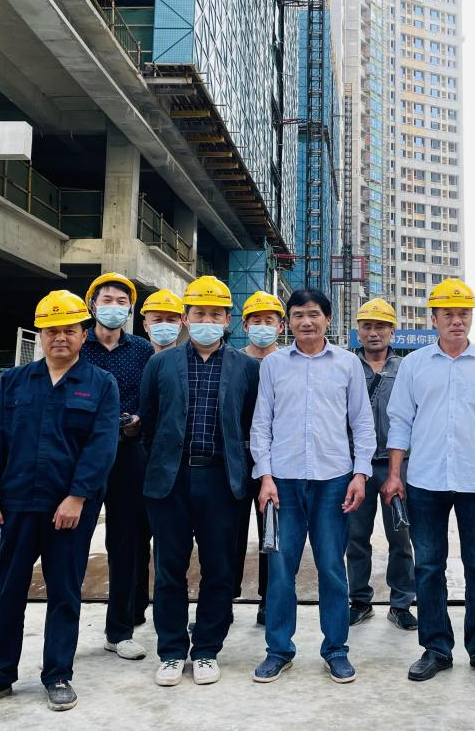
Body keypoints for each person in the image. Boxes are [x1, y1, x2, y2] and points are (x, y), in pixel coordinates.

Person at [0, 290, 119, 714]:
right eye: (51, 330)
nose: (60, 337)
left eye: (69, 330)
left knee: (64, 592)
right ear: (40, 335)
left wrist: (77, 497)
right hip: (17, 504)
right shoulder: (14, 381)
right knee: (7, 591)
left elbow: (101, 447)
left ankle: (58, 675)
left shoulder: (101, 384)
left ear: (84, 334)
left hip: (70, 510)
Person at [383, 278, 475, 685]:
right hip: (426, 479)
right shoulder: (414, 365)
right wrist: (395, 474)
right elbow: (400, 421)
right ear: (434, 319)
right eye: (448, 314)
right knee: (428, 566)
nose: (457, 321)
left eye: (463, 314)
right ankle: (436, 648)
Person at [138, 275, 260, 687]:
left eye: (215, 314)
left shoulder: (247, 368)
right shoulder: (160, 364)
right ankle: (172, 651)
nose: (207, 320)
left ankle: (207, 649)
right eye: (199, 313)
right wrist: (164, 463)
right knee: (169, 569)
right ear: (186, 318)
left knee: (220, 569)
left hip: (222, 481)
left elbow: (251, 424)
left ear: (227, 320)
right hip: (170, 480)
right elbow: (149, 421)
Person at [249, 288, 375, 684]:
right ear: (288, 322)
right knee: (280, 568)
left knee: (332, 568)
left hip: (333, 481)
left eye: (314, 314)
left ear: (328, 319)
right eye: (299, 315)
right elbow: (261, 423)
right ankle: (278, 650)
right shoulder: (273, 365)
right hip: (283, 483)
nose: (306, 321)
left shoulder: (347, 364)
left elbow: (362, 422)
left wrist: (360, 473)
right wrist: (265, 476)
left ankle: (336, 650)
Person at [80, 272, 154, 662]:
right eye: (106, 300)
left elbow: (150, 397)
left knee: (126, 543)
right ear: (92, 305)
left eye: (121, 302)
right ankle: (63, 632)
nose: (113, 307)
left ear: (130, 309)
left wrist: (139, 419)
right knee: (71, 541)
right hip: (84, 456)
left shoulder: (141, 350)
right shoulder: (78, 344)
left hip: (128, 455)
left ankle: (119, 630)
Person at [346, 298, 417, 630]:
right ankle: (360, 600)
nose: (373, 333)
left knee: (400, 536)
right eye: (367, 326)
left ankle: (401, 603)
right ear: (358, 331)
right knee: (356, 537)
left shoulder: (407, 369)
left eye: (381, 326)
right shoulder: (346, 366)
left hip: (397, 465)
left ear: (393, 332)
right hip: (355, 466)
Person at [239, 290, 286, 625]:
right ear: (244, 325)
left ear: (281, 326)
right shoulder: (232, 361)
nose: (263, 327)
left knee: (272, 534)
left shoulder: (287, 363)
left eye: (269, 321)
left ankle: (270, 601)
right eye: (256, 321)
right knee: (227, 535)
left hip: (274, 462)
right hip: (235, 458)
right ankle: (220, 604)